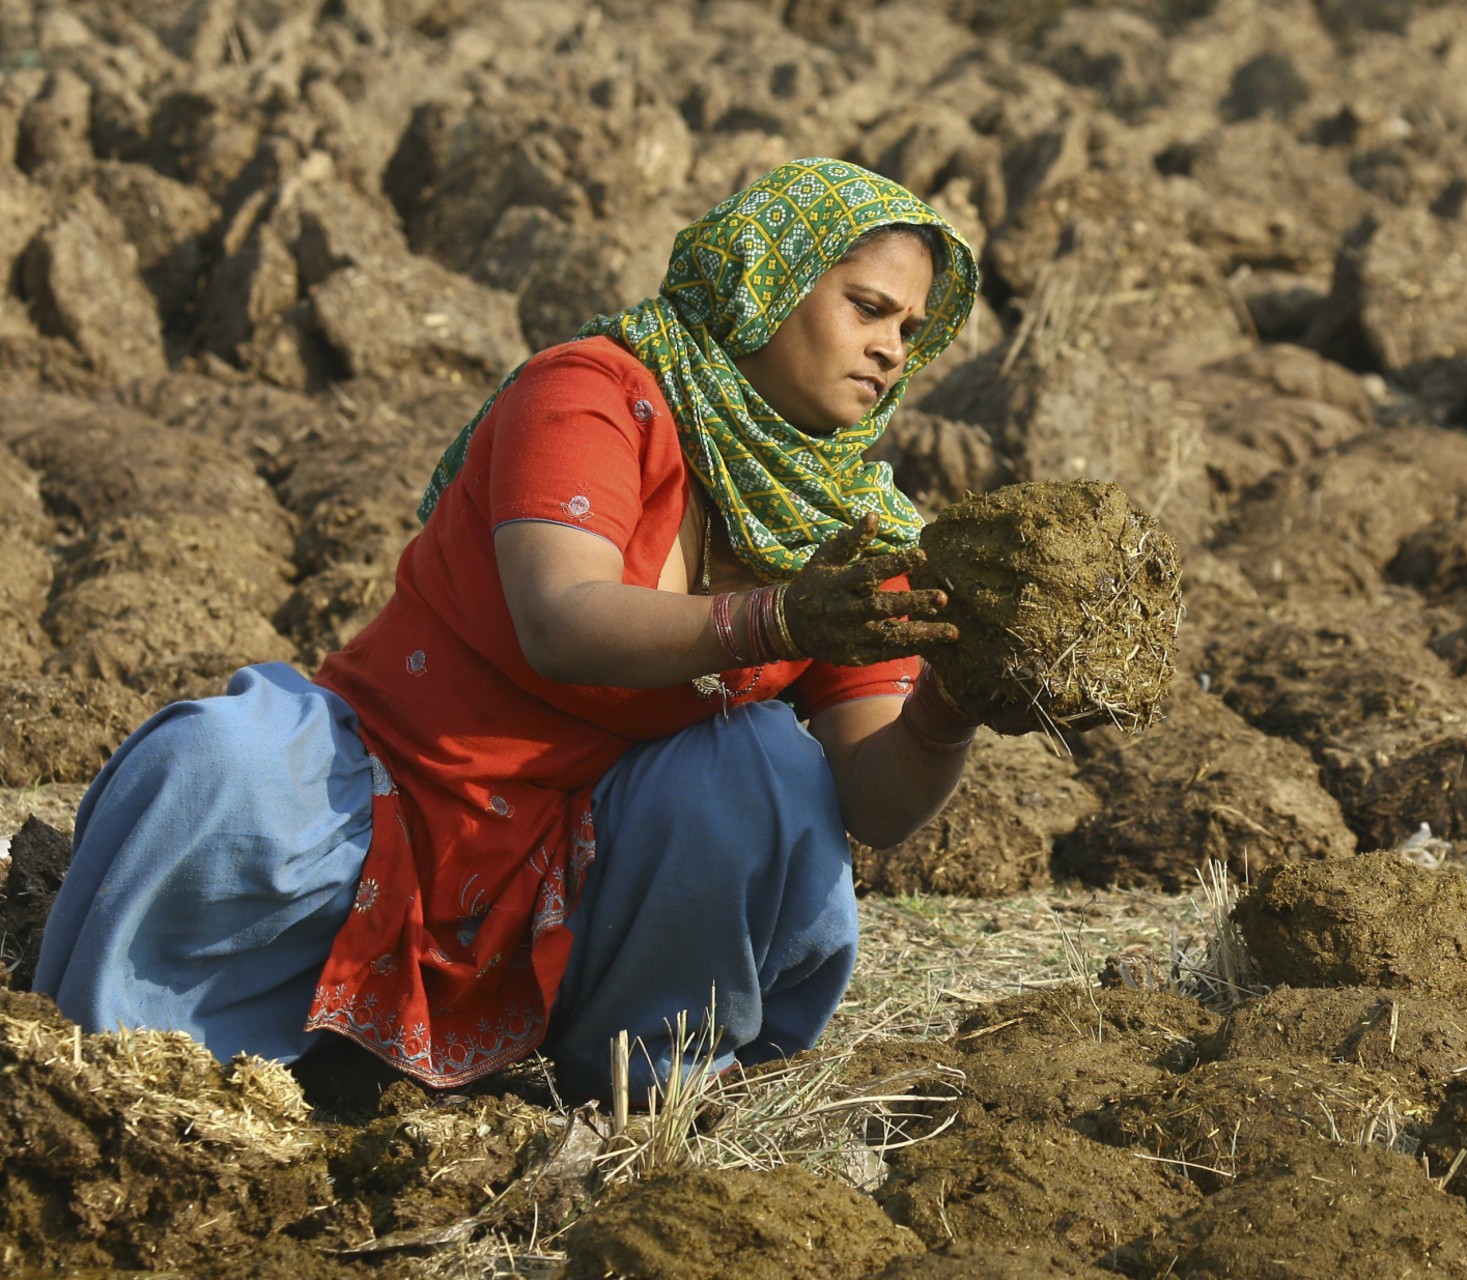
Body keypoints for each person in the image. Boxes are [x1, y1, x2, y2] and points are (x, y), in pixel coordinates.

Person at [32, 157, 988, 1100]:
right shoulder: (596, 391)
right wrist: (778, 615)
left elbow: (874, 802)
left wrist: (954, 704)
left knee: (767, 772)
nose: (894, 351)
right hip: (388, 793)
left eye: (912, 328)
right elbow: (562, 619)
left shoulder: (862, 530)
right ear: (762, 281)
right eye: (867, 308)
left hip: (594, 876)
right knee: (215, 764)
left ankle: (649, 1081)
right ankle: (113, 1076)